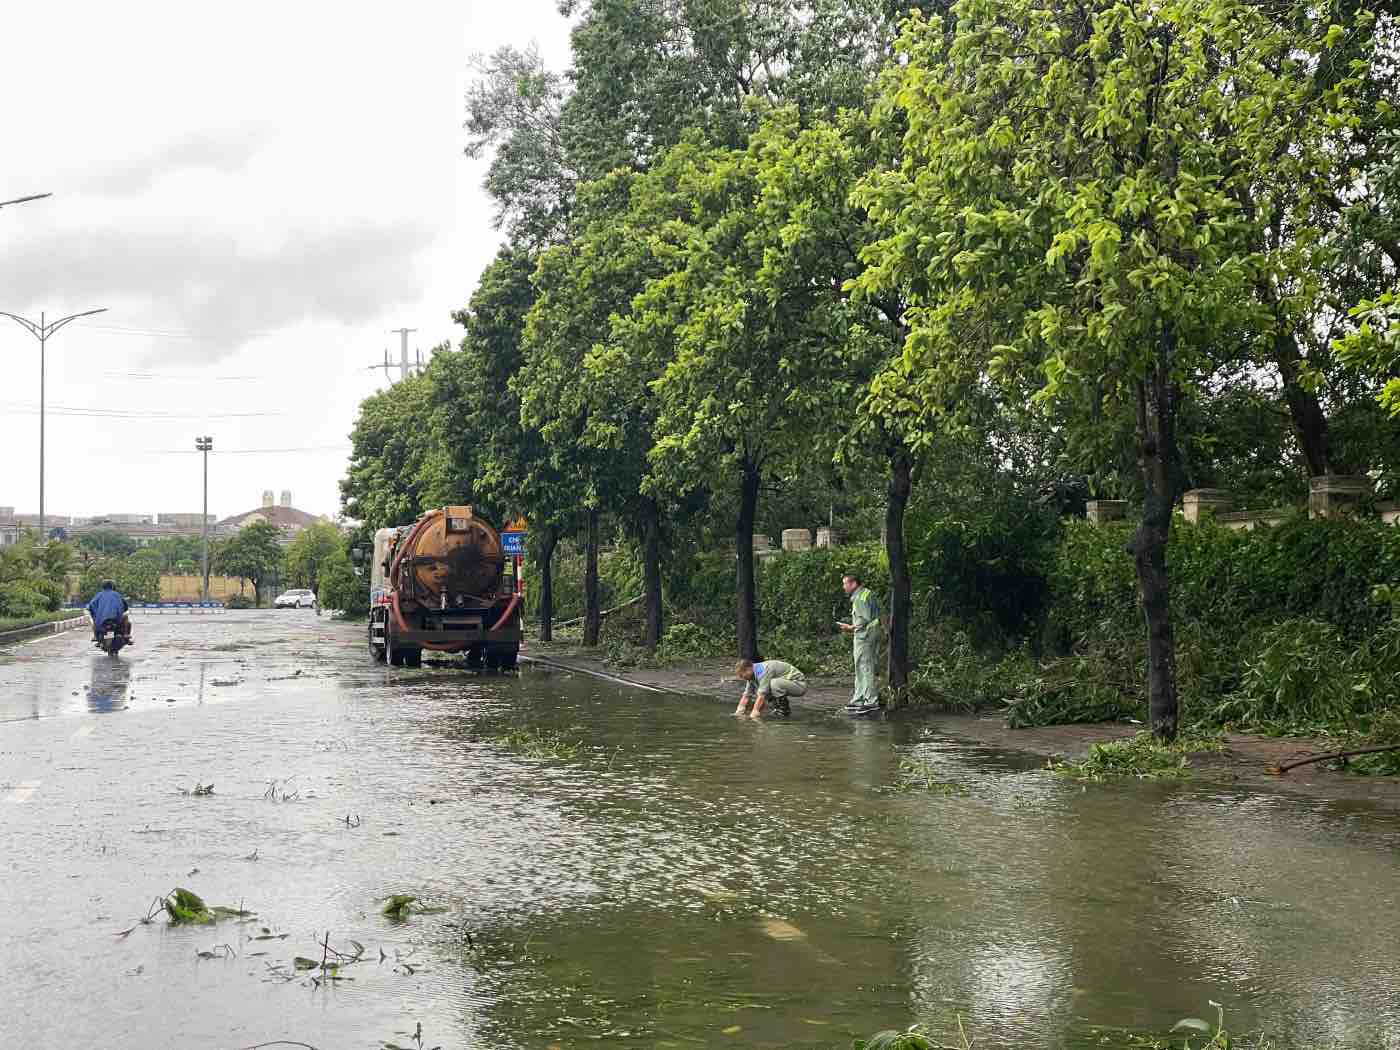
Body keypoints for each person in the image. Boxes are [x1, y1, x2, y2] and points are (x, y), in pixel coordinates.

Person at [837, 572, 880, 715]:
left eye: (845, 583)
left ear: (854, 584)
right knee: (864, 666)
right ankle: (859, 699)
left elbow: (863, 620)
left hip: (864, 636)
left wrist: (849, 628)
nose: (843, 587)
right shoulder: (867, 593)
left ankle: (870, 701)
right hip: (871, 633)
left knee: (864, 667)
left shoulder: (859, 599)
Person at [734, 658, 806, 719]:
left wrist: (754, 713)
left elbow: (761, 696)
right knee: (767, 686)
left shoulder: (763, 671)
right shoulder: (751, 675)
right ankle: (777, 709)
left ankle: (783, 711)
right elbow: (746, 695)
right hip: (786, 683)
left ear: (748, 669)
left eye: (741, 675)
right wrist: (739, 712)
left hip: (798, 684)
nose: (741, 678)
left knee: (773, 684)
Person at [86, 580, 133, 648]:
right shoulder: (117, 594)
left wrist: (96, 613)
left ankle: (96, 637)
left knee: (93, 621)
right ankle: (126, 636)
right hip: (116, 619)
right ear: (112, 586)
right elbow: (125, 606)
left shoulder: (99, 595)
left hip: (102, 620)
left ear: (103, 587)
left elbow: (91, 605)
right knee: (126, 618)